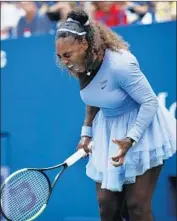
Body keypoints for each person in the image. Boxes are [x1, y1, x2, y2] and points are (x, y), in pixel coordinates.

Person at [55, 9, 176, 221]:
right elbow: (95, 101)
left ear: (85, 44)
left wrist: (131, 138)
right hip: (109, 132)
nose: (64, 62)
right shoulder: (81, 64)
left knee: (137, 207)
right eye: (59, 56)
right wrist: (86, 134)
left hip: (142, 128)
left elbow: (150, 102)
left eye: (67, 55)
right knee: (107, 207)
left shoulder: (121, 64)